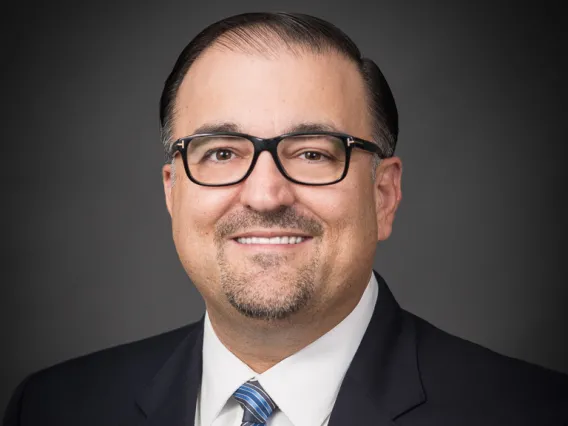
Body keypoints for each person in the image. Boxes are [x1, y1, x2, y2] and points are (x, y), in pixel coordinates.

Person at [4, 11, 568, 426]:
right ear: (174, 195)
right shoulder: (53, 407)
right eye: (221, 153)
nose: (266, 193)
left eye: (314, 153)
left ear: (384, 195)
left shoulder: (533, 412)